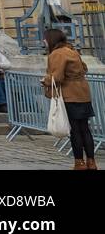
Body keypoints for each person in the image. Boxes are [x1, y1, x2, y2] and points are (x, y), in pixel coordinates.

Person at [43, 29, 96, 170]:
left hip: (69, 95)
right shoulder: (72, 51)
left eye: (45, 39)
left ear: (51, 40)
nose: (44, 41)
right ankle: (91, 162)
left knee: (75, 131)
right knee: (85, 129)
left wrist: (45, 80)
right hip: (83, 94)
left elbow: (57, 77)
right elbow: (84, 68)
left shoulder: (57, 54)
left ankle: (79, 163)